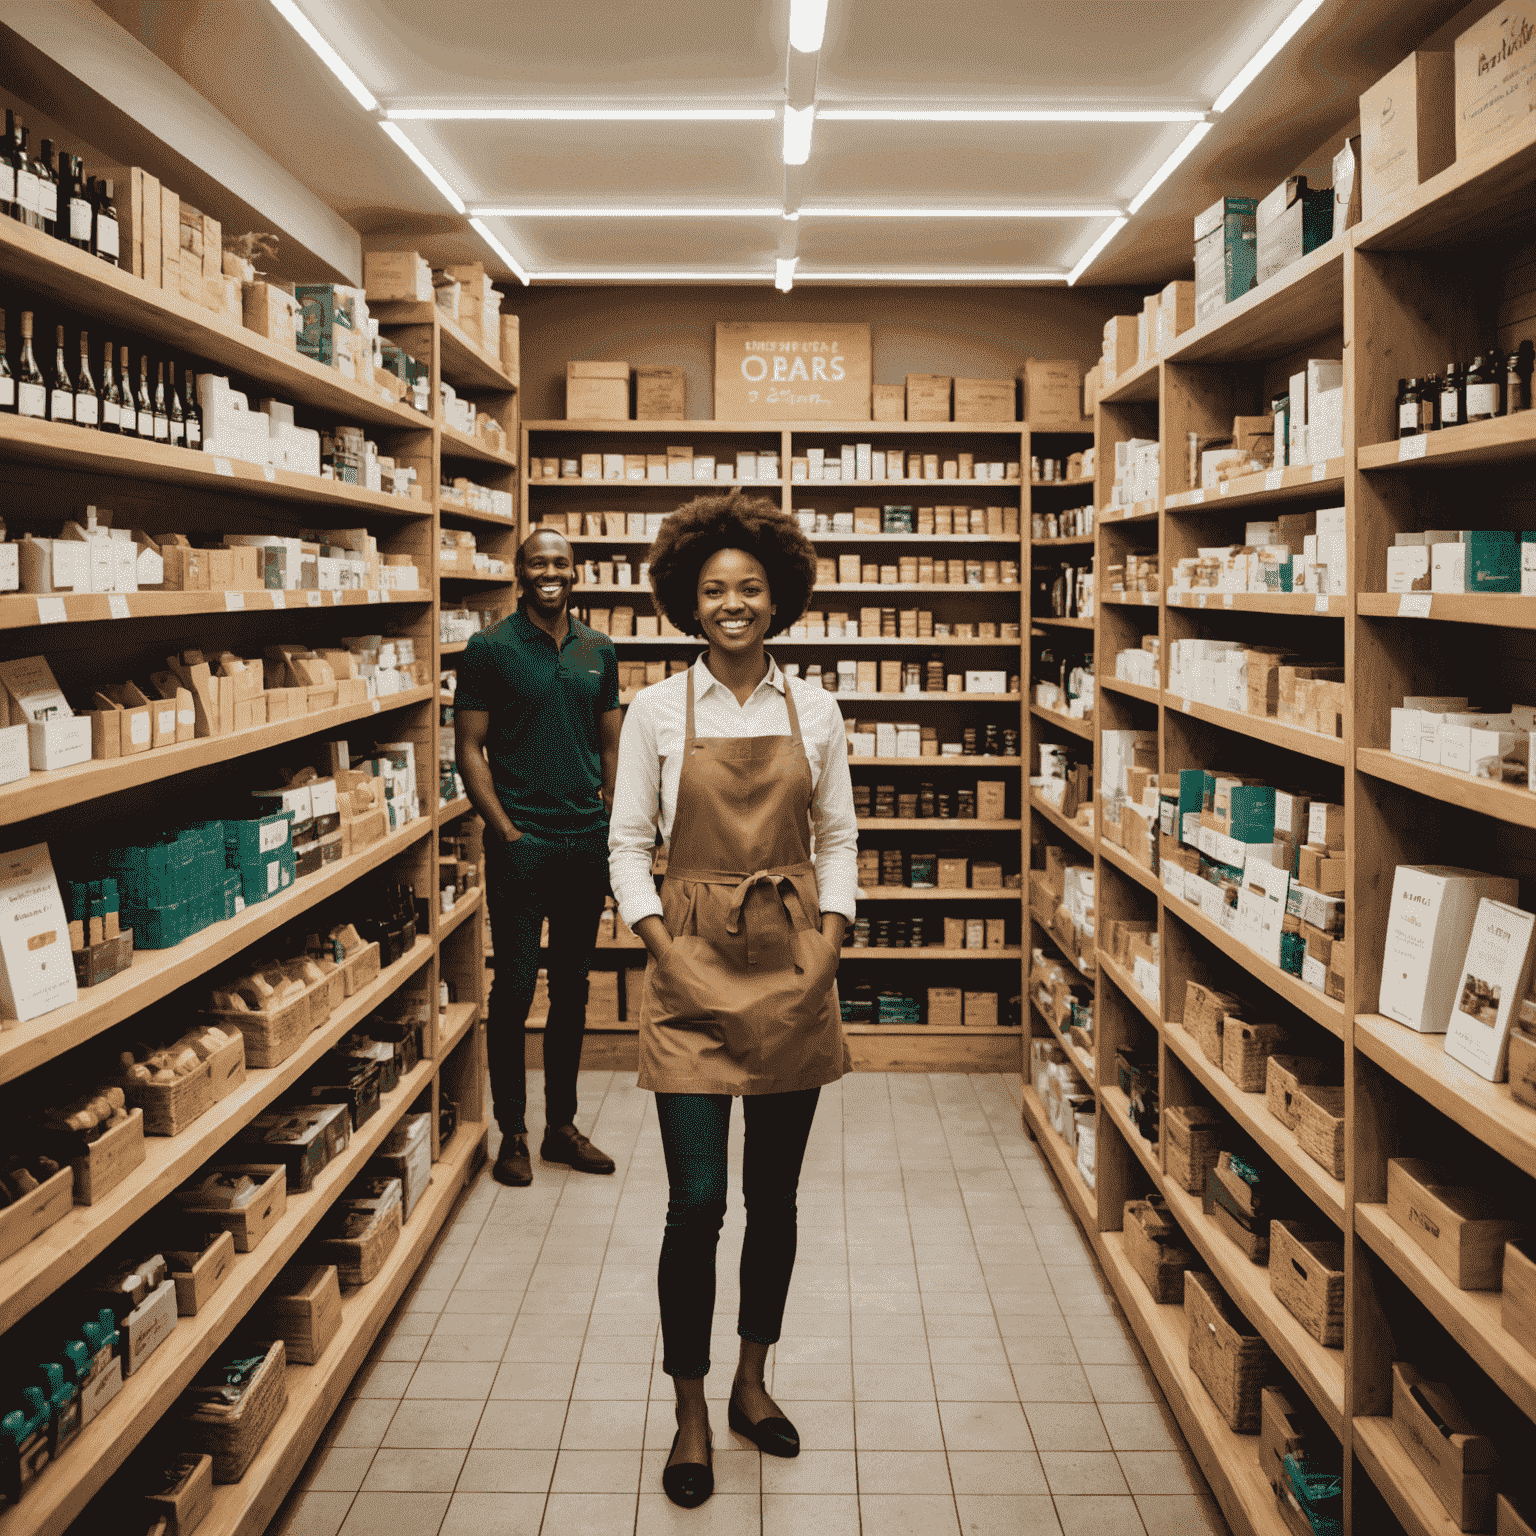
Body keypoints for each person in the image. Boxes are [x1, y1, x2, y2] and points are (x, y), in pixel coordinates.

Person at [608, 493, 857, 1509]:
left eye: (749, 588)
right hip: (690, 978)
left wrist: (829, 942)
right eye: (713, 590)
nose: (732, 604)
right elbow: (627, 842)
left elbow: (838, 836)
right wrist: (659, 943)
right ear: (686, 601)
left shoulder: (819, 709)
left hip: (795, 968)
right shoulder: (659, 711)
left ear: (778, 596)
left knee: (777, 1202)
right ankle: (692, 1405)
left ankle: (755, 1378)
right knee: (698, 1203)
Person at [455, 528, 623, 1187]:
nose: (550, 571)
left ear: (575, 572)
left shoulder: (598, 649)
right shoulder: (489, 648)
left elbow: (611, 749)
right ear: (519, 572)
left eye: (560, 562)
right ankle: (514, 1134)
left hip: (585, 842)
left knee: (574, 990)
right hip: (521, 847)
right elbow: (470, 748)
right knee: (516, 988)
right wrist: (505, 830)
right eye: (537, 562)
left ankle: (561, 1128)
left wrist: (610, 821)